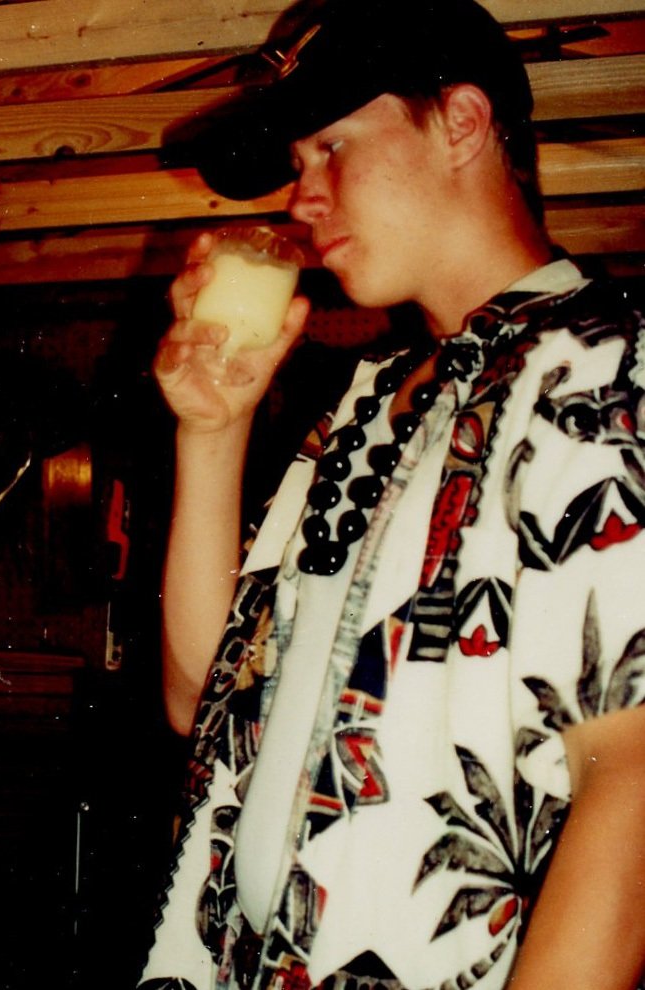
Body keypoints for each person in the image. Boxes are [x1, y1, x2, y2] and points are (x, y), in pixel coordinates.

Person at [139, 1, 645, 987]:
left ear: (461, 122)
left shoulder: (600, 374)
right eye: (297, 163)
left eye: (330, 147)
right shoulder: (370, 402)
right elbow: (199, 700)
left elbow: (629, 776)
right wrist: (211, 434)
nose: (302, 197)